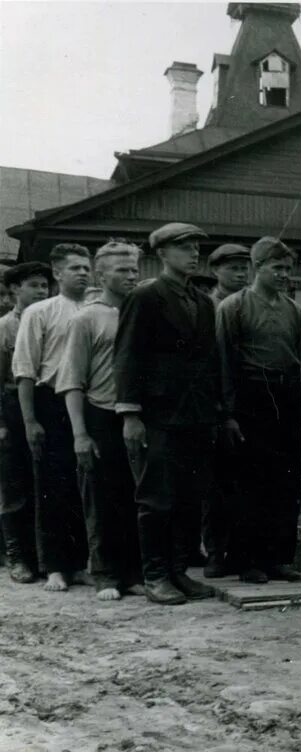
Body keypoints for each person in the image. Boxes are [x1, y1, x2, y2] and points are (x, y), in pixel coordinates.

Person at [113, 222, 219, 605]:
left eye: (195, 247)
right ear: (162, 254)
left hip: (195, 415)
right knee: (156, 498)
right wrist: (130, 413)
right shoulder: (146, 296)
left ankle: (178, 571)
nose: (193, 253)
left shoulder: (204, 302)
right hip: (157, 414)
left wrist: (218, 411)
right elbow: (127, 357)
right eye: (183, 246)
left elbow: (209, 362)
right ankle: (155, 575)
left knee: (190, 497)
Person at [216, 237, 301, 583]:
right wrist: (228, 413)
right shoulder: (234, 308)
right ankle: (247, 560)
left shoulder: (294, 311)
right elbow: (223, 362)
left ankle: (279, 558)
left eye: (288, 268)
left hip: (285, 397)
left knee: (287, 482)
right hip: (249, 396)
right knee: (251, 483)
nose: (284, 274)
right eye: (277, 268)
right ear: (257, 268)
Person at [58, 241, 143, 600]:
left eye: (135, 269)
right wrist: (80, 434)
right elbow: (72, 381)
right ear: (101, 274)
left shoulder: (143, 311)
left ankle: (134, 573)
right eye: (122, 270)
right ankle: (106, 574)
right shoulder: (86, 318)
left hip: (137, 415)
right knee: (101, 497)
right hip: (99, 413)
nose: (131, 276)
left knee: (135, 496)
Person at [11, 243, 92, 591]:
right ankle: (56, 565)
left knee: (86, 486)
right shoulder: (41, 312)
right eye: (75, 268)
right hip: (52, 401)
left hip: (91, 402)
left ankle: (84, 562)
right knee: (53, 486)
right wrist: (30, 420)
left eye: (86, 267)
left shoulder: (97, 309)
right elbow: (25, 370)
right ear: (57, 273)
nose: (83, 273)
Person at [200, 244, 250, 577]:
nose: (241, 274)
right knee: (216, 484)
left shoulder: (249, 305)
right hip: (214, 403)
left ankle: (244, 555)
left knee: (247, 483)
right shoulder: (207, 306)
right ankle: (215, 552)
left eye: (245, 268)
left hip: (248, 401)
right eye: (233, 268)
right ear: (215, 270)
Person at [0, 262, 50, 582]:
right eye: (34, 285)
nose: (41, 292)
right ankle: (17, 556)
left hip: (46, 404)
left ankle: (45, 556)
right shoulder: (6, 326)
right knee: (14, 483)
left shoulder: (51, 318)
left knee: (44, 483)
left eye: (45, 286)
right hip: (12, 409)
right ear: (16, 290)